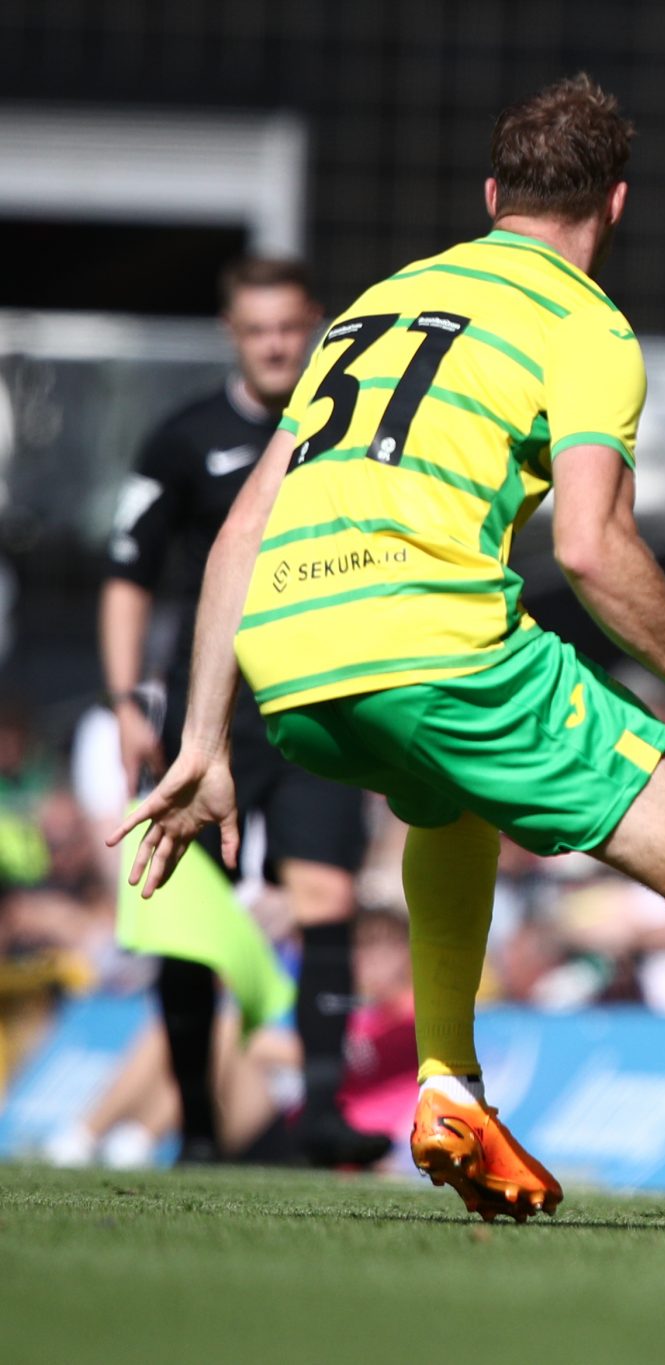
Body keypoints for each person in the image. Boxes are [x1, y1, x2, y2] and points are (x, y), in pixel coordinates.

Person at [113, 74, 665, 1242]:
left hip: (286, 663)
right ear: (616, 205)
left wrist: (203, 741)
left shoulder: (376, 304)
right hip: (429, 638)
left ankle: (448, 1088)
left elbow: (240, 526)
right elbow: (594, 548)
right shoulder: (584, 326)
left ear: (492, 194)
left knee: (449, 806)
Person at [100, 257, 387, 1167]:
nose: (275, 344)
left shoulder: (355, 436)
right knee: (193, 917)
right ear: (233, 333)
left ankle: (324, 1113)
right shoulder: (185, 439)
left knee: (326, 894)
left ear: (319, 326)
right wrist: (125, 700)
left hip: (322, 698)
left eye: (291, 326)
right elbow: (127, 577)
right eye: (258, 328)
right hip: (211, 709)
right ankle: (194, 1124)